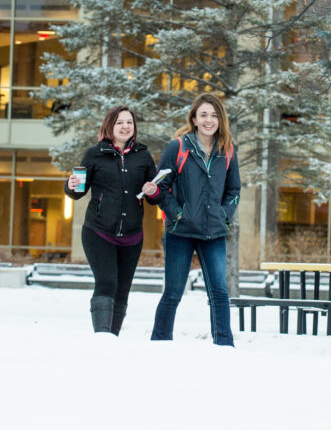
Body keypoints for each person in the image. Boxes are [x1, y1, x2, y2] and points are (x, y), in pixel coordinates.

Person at [151, 93, 241, 346]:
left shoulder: (228, 150)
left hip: (214, 232)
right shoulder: (177, 147)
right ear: (194, 118)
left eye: (214, 115)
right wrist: (177, 214)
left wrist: (224, 215)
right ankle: (159, 343)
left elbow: (234, 190)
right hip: (180, 232)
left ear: (220, 119)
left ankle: (224, 345)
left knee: (220, 294)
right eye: (203, 115)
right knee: (172, 293)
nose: (209, 120)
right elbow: (162, 187)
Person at [65, 105, 162, 334]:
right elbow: (78, 191)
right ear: (110, 126)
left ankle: (112, 337)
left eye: (129, 122)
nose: (125, 126)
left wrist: (153, 191)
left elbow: (155, 197)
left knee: (122, 290)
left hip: (132, 236)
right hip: (98, 232)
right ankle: (102, 337)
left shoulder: (143, 156)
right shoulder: (94, 154)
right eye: (119, 122)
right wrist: (69, 186)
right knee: (107, 282)